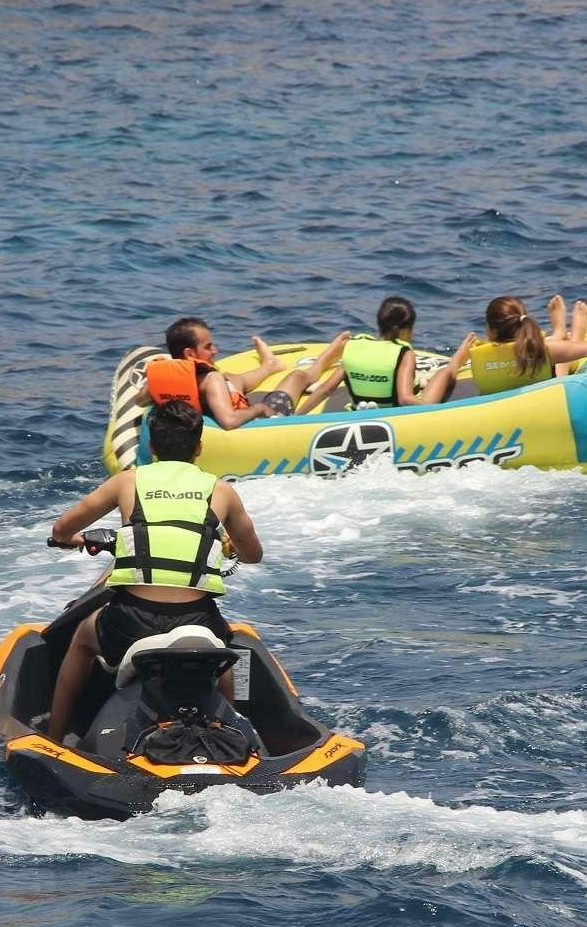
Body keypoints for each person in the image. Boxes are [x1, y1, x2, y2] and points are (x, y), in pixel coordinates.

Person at [45, 399, 263, 741]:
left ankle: (54, 736)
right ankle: (228, 733)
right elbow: (252, 555)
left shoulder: (126, 481)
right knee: (223, 652)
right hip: (197, 619)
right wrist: (231, 544)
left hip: (132, 621)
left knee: (84, 637)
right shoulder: (222, 491)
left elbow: (60, 529)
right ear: (199, 447)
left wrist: (71, 539)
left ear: (150, 445)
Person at [143, 317, 334, 430]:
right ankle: (325, 359)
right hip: (255, 426)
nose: (215, 351)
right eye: (208, 347)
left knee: (233, 379)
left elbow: (140, 400)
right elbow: (229, 421)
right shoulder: (212, 379)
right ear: (190, 354)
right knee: (297, 377)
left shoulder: (167, 376)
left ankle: (269, 365)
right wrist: (259, 409)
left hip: (214, 395)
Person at [302, 295, 476, 409]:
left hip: (356, 411)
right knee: (445, 373)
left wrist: (298, 417)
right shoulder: (404, 353)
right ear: (406, 330)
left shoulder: (353, 346)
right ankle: (460, 356)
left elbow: (325, 389)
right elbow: (405, 399)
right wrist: (440, 412)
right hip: (394, 416)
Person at [467, 294, 587, 395]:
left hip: (507, 413)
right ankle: (574, 336)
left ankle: (562, 332)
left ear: (491, 331)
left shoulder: (478, 357)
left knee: (553, 352)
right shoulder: (541, 350)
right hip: (548, 401)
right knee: (556, 357)